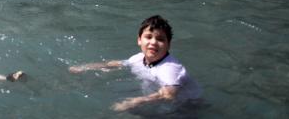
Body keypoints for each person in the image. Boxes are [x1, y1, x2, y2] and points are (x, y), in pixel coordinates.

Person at [69, 15, 199, 112]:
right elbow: (114, 64)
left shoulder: (170, 68)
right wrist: (85, 67)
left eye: (160, 39)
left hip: (183, 110)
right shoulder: (138, 58)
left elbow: (169, 94)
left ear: (168, 45)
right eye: (148, 37)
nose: (153, 42)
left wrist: (135, 101)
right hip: (160, 106)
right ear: (139, 40)